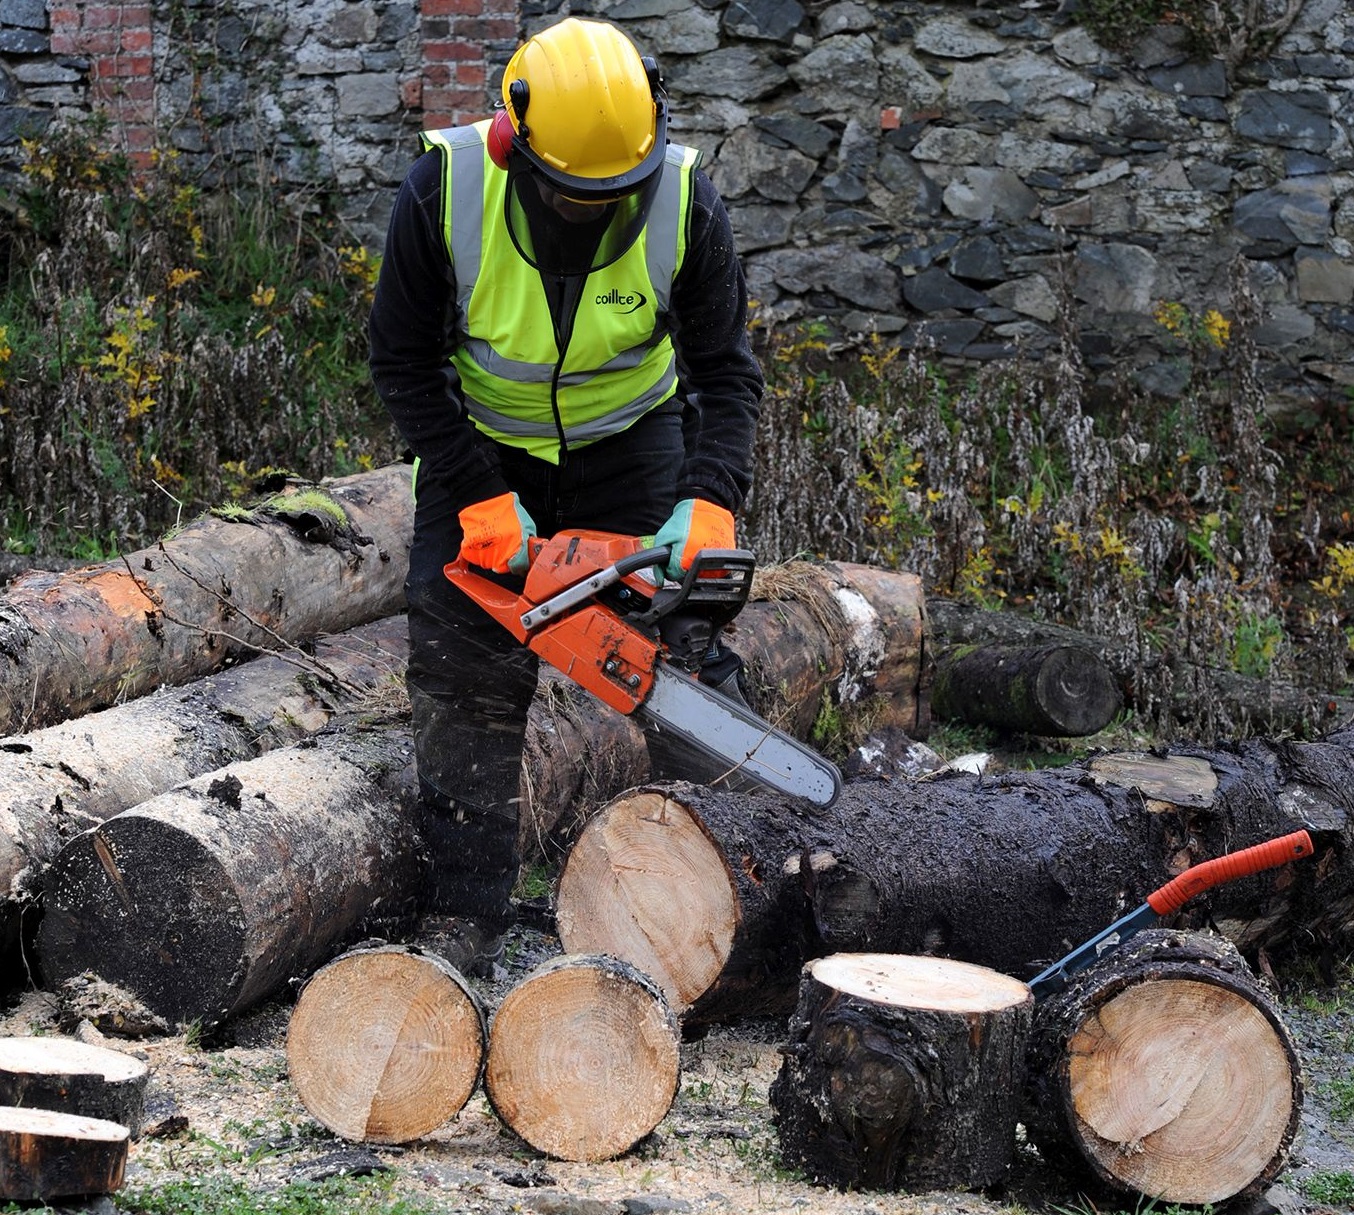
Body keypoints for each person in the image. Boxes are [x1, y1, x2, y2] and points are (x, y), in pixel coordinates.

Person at [368, 16, 764, 976]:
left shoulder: (680, 199)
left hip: (633, 444)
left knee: (683, 655)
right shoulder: (445, 191)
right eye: (573, 194)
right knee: (464, 668)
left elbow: (727, 373)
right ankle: (464, 912)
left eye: (612, 194)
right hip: (488, 453)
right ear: (515, 143)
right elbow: (403, 363)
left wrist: (708, 497)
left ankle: (740, 900)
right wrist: (474, 494)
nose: (594, 211)